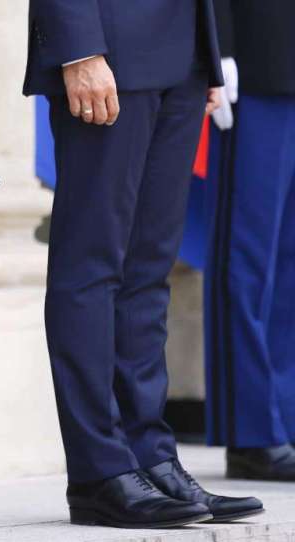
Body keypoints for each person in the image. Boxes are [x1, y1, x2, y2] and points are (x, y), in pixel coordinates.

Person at [22, 0, 263, 528]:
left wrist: (209, 52)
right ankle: (99, 472)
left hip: (183, 53)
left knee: (148, 272)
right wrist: (78, 46)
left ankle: (151, 458)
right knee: (91, 266)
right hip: (106, 48)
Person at [205, 0, 295, 481]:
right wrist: (220, 46)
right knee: (247, 256)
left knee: (288, 264)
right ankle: (253, 430)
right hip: (257, 63)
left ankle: (287, 415)